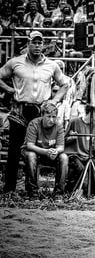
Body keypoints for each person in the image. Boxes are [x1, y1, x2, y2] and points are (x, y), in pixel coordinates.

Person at [0, 31, 68, 195]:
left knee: (36, 149)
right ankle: (9, 189)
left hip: (40, 111)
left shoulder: (51, 65)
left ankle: (33, 189)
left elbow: (65, 84)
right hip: (20, 110)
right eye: (34, 42)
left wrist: (54, 101)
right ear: (28, 43)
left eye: (40, 43)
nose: (37, 46)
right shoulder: (15, 62)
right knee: (14, 150)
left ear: (43, 44)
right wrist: (9, 89)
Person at [22, 101, 68, 199]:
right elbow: (30, 145)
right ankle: (32, 191)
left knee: (64, 157)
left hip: (50, 153)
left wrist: (56, 151)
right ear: (42, 115)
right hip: (34, 152)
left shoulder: (59, 126)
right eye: (48, 116)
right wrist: (46, 152)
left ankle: (59, 192)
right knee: (31, 155)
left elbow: (61, 147)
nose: (51, 120)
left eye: (54, 117)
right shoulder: (34, 124)